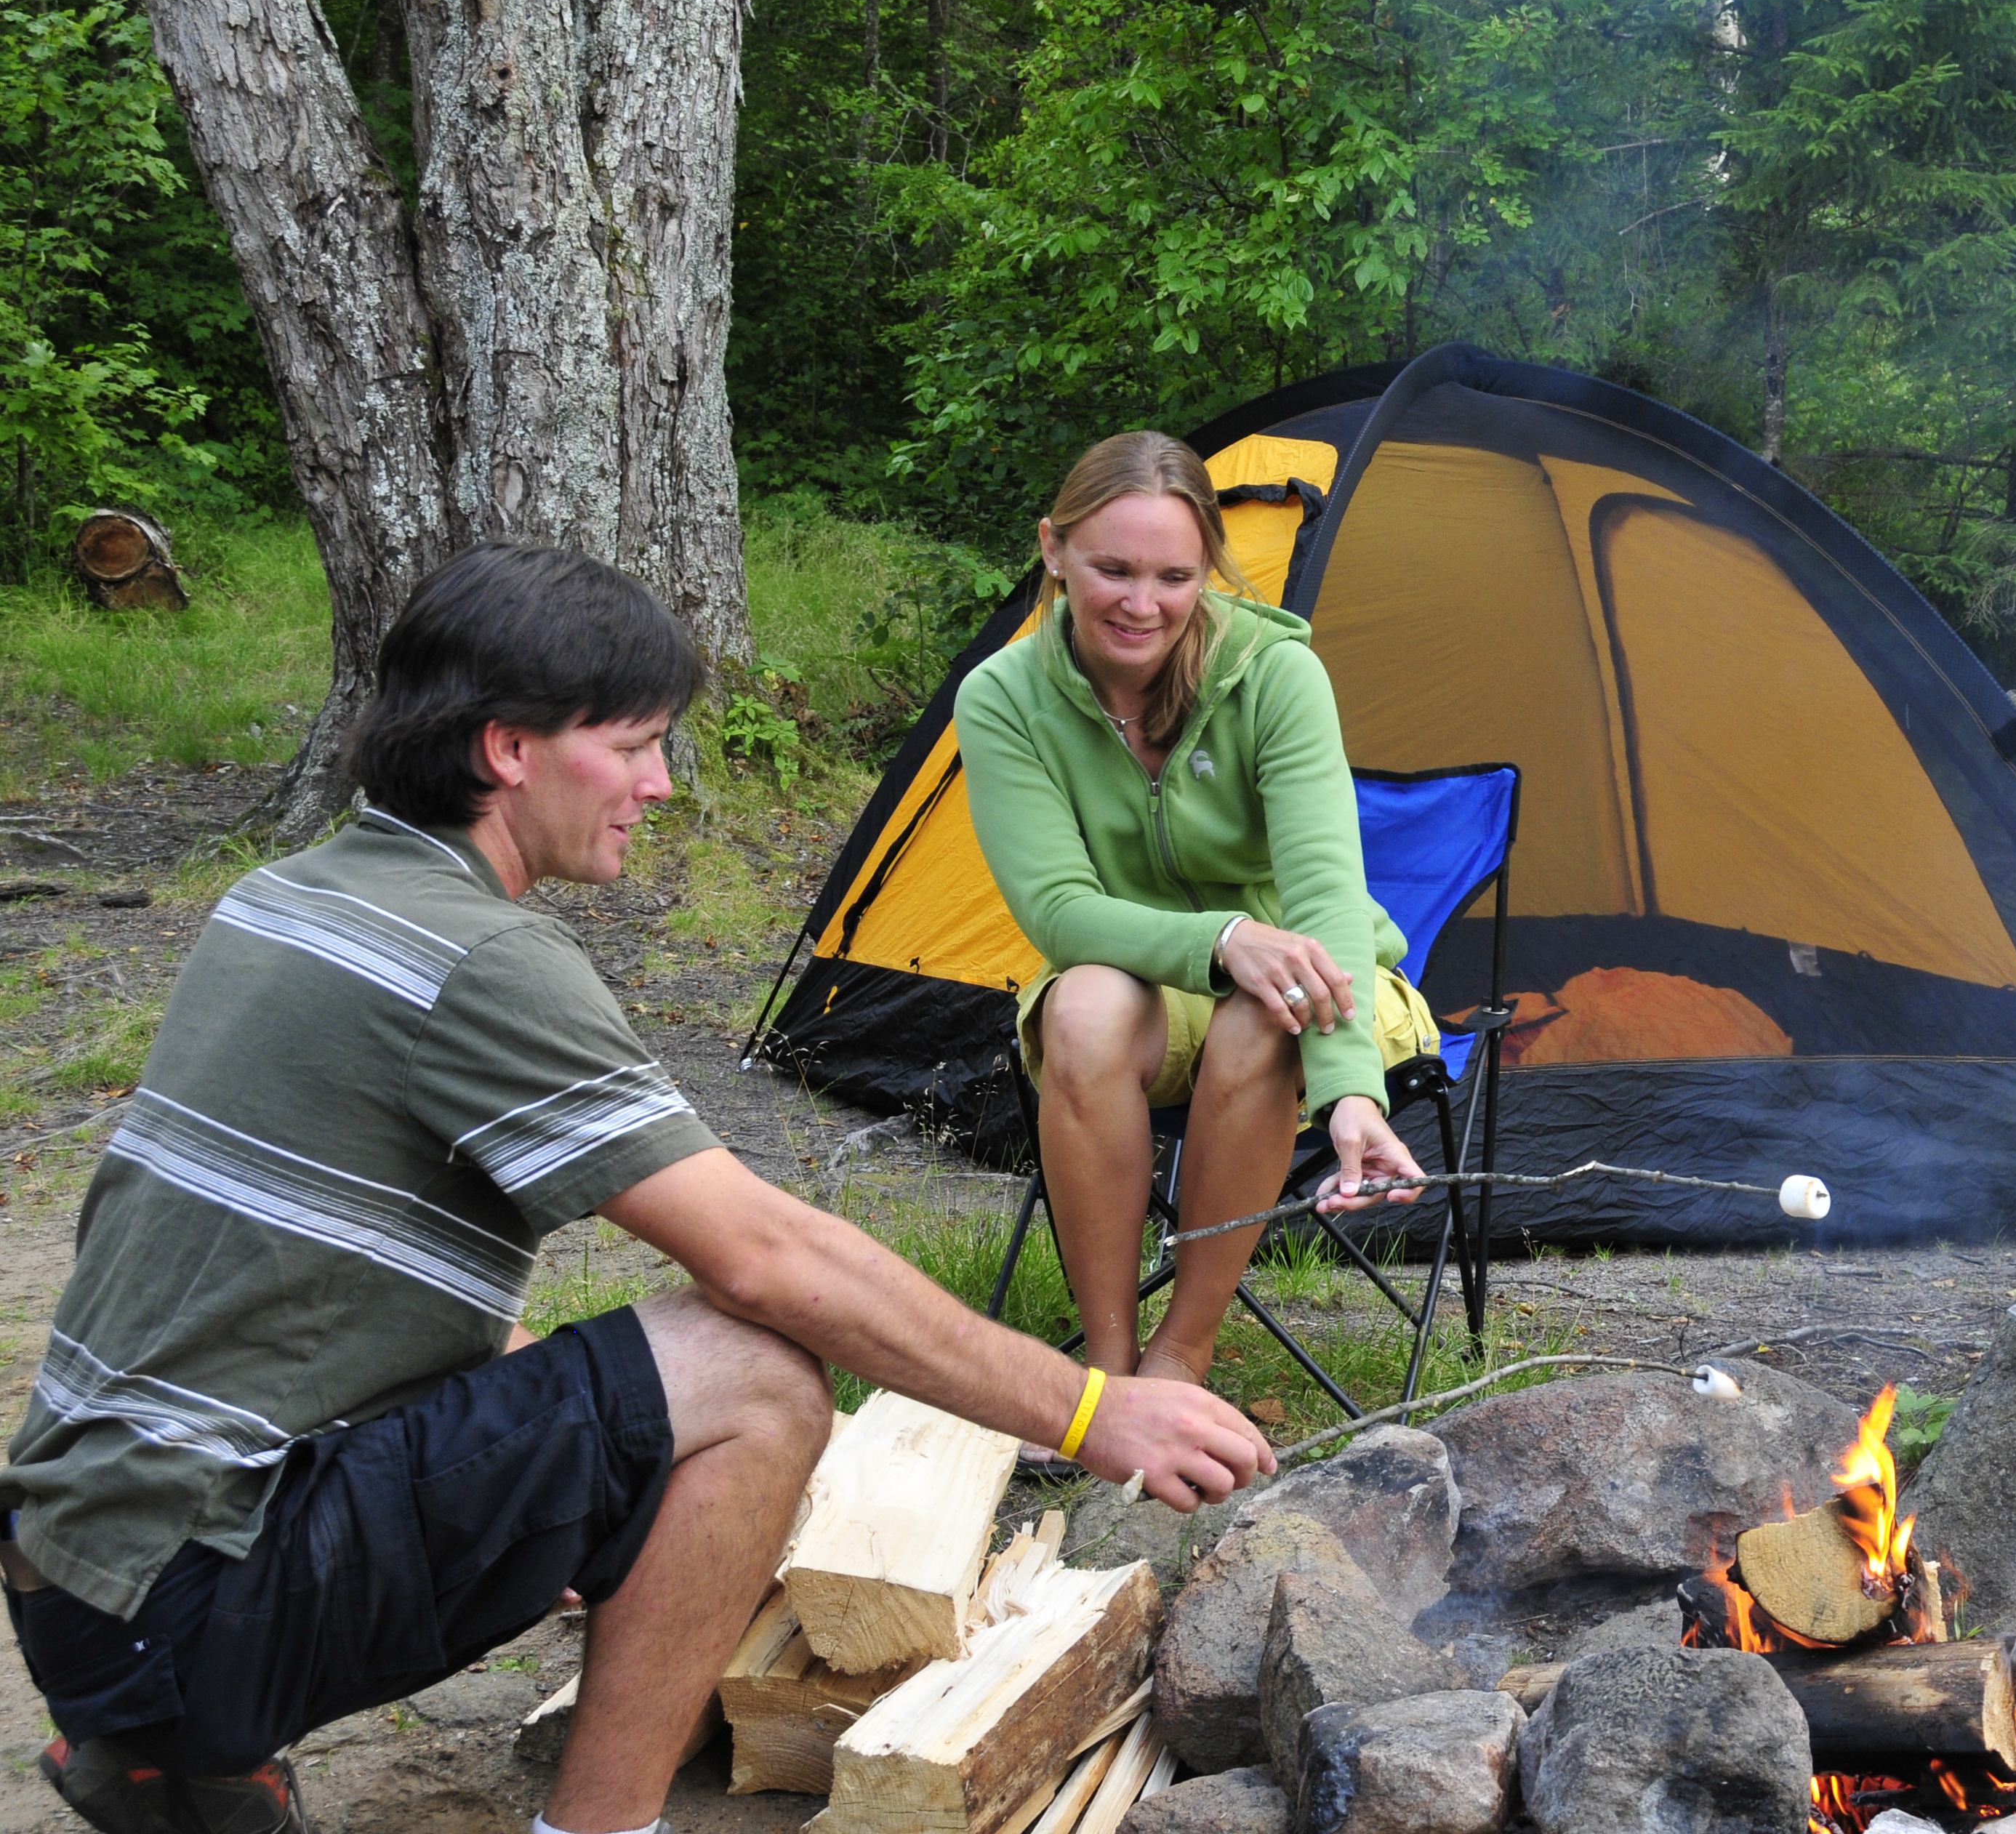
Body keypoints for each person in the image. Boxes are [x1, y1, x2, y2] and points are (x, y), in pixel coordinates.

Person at [0, 545, 1270, 1834]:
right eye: (636, 745)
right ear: (509, 750)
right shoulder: (477, 956)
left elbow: (309, 1265)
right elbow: (766, 1259)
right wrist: (1087, 1410)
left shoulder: (292, 897)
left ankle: (164, 1760)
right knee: (755, 1375)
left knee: (632, 1392)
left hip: (80, 1571)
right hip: (189, 1596)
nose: (661, 785)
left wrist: (553, 1482)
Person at [956, 432, 1430, 1401]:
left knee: (1272, 1005)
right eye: (1113, 569)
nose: (1144, 603)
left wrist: (1349, 1091)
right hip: (1145, 990)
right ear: (1053, 552)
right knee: (1080, 1008)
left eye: (1175, 575)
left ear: (1209, 569)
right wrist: (1217, 941)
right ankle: (1107, 1365)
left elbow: (1326, 895)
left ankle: (1185, 1349)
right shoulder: (1003, 698)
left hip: (1326, 989)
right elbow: (1058, 909)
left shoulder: (1274, 677)